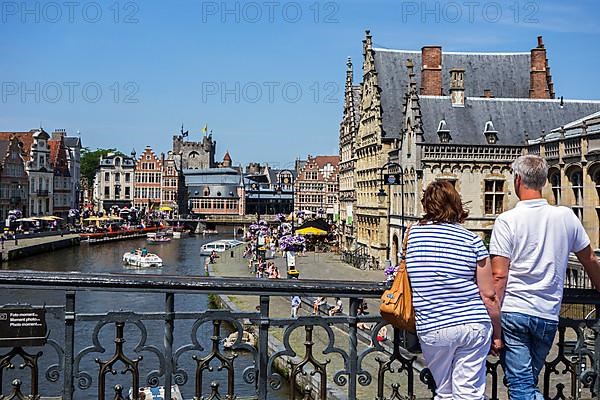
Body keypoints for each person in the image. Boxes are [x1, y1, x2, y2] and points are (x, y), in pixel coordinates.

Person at [490, 155, 600, 400]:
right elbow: (590, 259)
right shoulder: (565, 217)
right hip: (547, 314)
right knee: (525, 383)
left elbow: (499, 276)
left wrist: (493, 325)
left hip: (514, 313)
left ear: (517, 180)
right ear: (544, 182)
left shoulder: (506, 221)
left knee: (521, 388)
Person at [405, 181, 501, 400]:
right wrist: (497, 333)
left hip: (433, 325)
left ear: (426, 205)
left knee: (445, 391)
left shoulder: (411, 235)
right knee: (469, 393)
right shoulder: (472, 240)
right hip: (472, 325)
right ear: (457, 204)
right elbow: (489, 295)